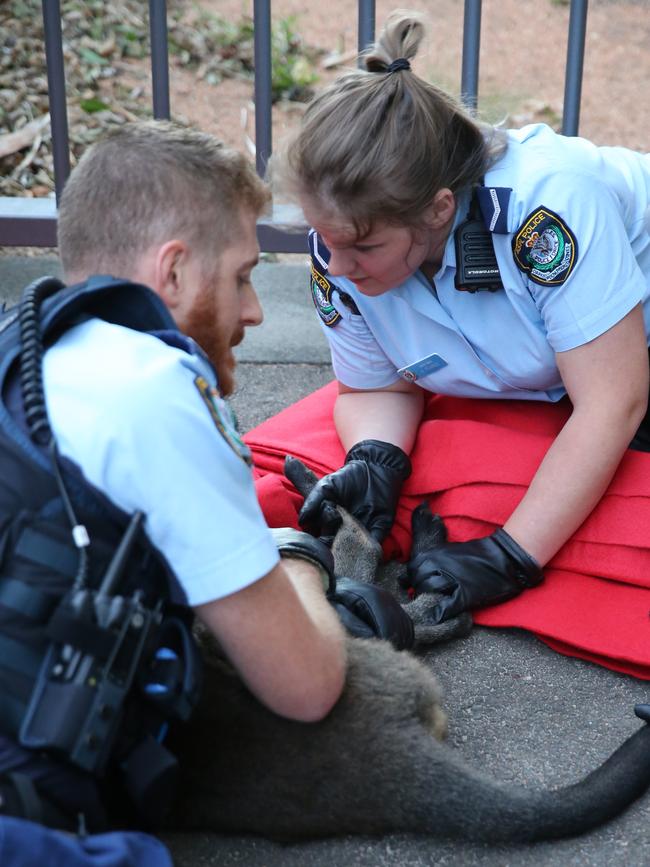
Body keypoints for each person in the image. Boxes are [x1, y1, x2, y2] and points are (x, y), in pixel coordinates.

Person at [0, 120, 412, 838]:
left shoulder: (21, 347)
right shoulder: (154, 386)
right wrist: (302, 562)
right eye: (243, 276)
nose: (253, 310)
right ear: (174, 271)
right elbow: (306, 685)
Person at [272, 9, 650, 623]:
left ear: (439, 209)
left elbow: (613, 403)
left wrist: (509, 556)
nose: (337, 267)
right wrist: (374, 460)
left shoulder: (549, 208)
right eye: (326, 240)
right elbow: (377, 384)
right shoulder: (342, 241)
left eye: (363, 248)